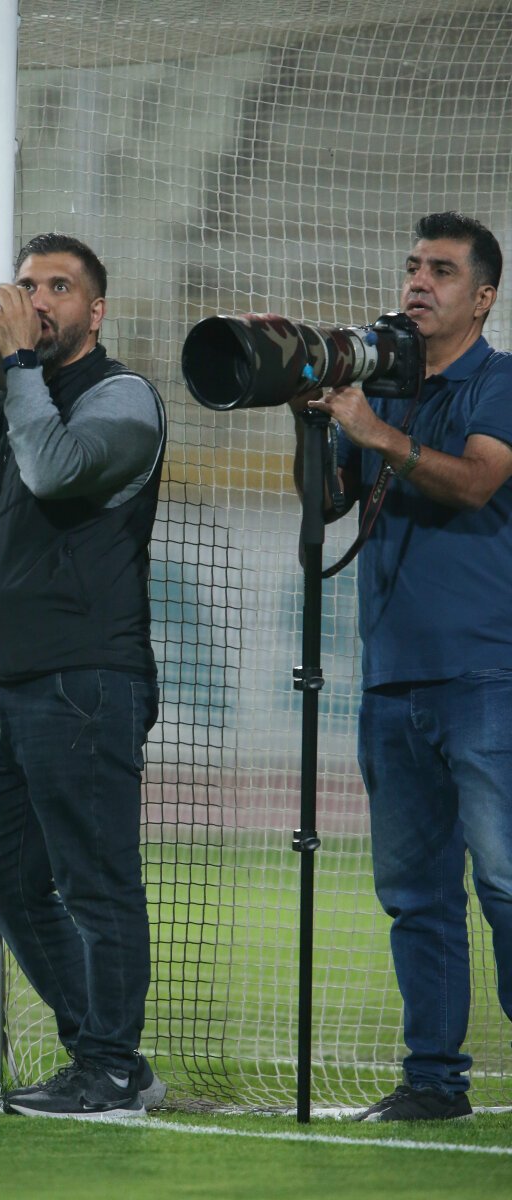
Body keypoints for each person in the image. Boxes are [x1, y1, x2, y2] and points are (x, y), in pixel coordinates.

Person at [291, 212, 512, 1121]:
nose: (418, 282)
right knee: (416, 895)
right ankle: (433, 1082)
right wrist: (313, 421)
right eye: (414, 266)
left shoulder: (499, 381)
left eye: (442, 271)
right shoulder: (379, 386)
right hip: (390, 678)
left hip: (487, 676)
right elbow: (328, 508)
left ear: (483, 298)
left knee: (505, 882)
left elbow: (477, 481)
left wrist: (375, 431)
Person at [0, 233, 167, 1119]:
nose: (37, 300)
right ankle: (109, 1058)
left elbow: (53, 469)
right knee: (0, 877)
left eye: (59, 287)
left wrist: (16, 369)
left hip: (84, 681)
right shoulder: (13, 401)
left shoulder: (124, 397)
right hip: (5, 685)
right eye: (26, 285)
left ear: (96, 311)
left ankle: (108, 1071)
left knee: (96, 883)